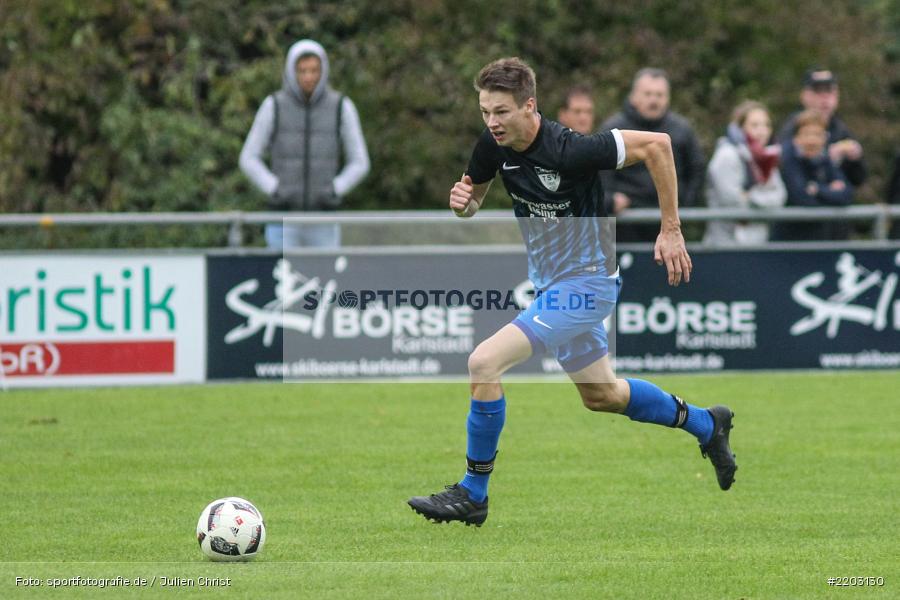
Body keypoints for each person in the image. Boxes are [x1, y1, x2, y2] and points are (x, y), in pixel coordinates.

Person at [408, 58, 737, 527]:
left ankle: (473, 492)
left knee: (483, 362)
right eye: (484, 112)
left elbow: (659, 146)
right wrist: (463, 206)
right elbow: (474, 198)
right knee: (602, 395)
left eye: (501, 112)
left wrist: (672, 229)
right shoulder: (491, 146)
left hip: (587, 285)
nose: (492, 122)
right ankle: (707, 423)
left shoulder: (571, 149)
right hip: (552, 288)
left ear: (530, 106)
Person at [239, 39, 370, 249]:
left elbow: (360, 162)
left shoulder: (341, 106)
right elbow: (248, 158)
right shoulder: (274, 105)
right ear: (292, 71)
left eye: (314, 70)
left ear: (323, 71)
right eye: (302, 71)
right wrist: (275, 188)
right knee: (283, 278)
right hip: (283, 217)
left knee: (324, 277)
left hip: (324, 218)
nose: (309, 77)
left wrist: (334, 189)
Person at [599, 68, 706, 242]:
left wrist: (684, 203)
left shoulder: (682, 130)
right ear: (634, 96)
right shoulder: (614, 129)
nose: (654, 100)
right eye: (648, 94)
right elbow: (601, 172)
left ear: (668, 98)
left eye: (659, 95)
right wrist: (610, 200)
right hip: (625, 223)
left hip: (672, 222)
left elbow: (696, 169)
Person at [704, 101, 786, 246]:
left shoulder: (768, 157)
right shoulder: (726, 155)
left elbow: (780, 197)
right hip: (724, 246)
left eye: (766, 125)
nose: (762, 131)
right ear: (740, 128)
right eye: (754, 125)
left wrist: (751, 197)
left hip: (758, 245)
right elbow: (732, 201)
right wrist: (763, 201)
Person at [772, 110, 853, 241]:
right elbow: (802, 199)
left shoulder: (824, 158)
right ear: (796, 137)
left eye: (817, 134)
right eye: (807, 134)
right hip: (789, 241)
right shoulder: (787, 158)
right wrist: (830, 191)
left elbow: (847, 195)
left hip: (820, 239)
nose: (812, 140)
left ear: (825, 138)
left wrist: (817, 189)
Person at [777, 68, 866, 188]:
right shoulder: (793, 127)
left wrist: (854, 159)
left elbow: (857, 180)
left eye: (829, 90)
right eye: (818, 90)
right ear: (805, 95)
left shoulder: (841, 130)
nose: (824, 97)